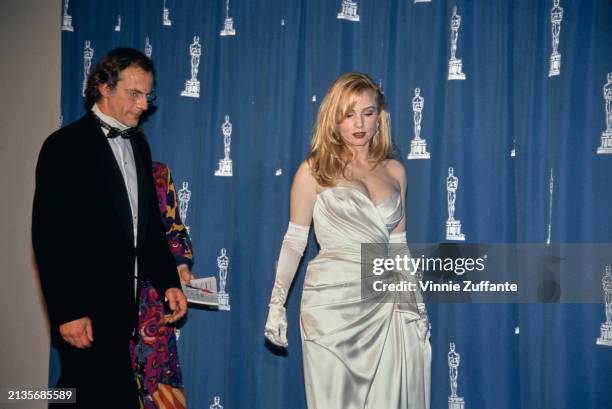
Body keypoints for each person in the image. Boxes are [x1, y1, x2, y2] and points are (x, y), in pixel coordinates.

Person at [264, 72, 431, 408]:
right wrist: (276, 305)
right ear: (333, 119)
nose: (359, 124)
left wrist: (415, 303)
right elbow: (295, 241)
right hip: (331, 309)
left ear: (379, 117)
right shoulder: (313, 170)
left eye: (368, 113)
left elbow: (398, 247)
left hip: (385, 304)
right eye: (348, 114)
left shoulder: (395, 171)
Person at [32, 48, 187, 408]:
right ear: (103, 86)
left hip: (122, 311)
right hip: (84, 309)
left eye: (148, 95)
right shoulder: (64, 146)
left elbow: (145, 230)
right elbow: (49, 238)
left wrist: (168, 283)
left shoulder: (139, 146)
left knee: (80, 394)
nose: (144, 104)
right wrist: (68, 310)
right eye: (135, 93)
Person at [129, 161, 195, 409]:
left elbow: (172, 227)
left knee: (157, 382)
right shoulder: (89, 169)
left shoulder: (157, 173)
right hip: (104, 300)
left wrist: (181, 266)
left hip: (151, 302)